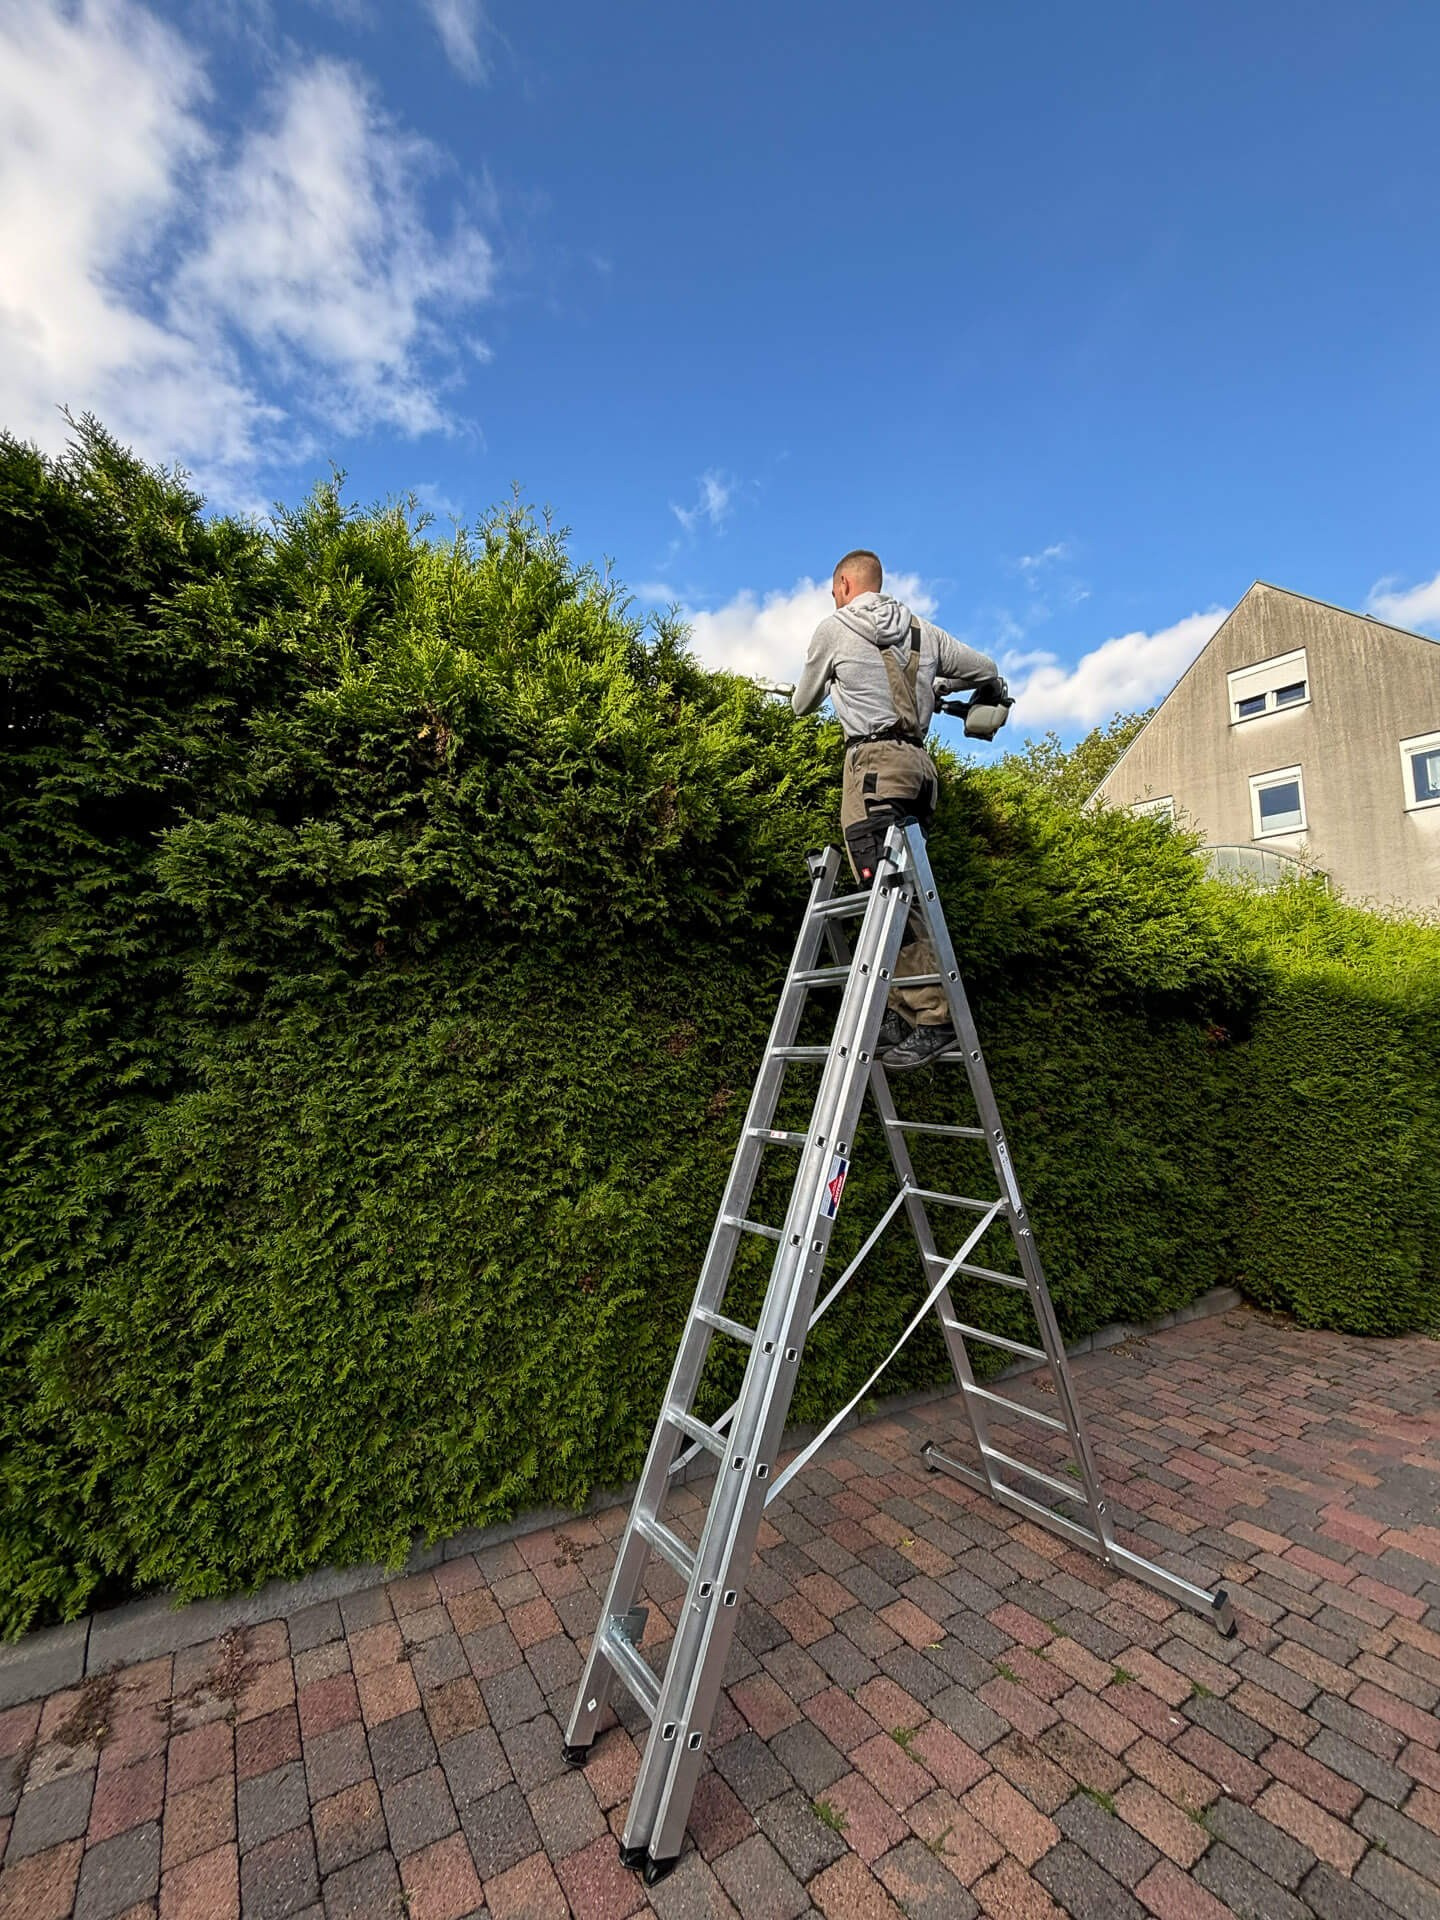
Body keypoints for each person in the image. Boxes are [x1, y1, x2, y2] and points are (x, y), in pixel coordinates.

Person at [791, 548, 1001, 1071]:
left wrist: (835, 683)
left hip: (873, 770)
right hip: (919, 771)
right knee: (895, 895)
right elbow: (987, 669)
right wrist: (941, 686)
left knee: (889, 897)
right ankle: (894, 1010)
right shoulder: (923, 633)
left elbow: (802, 703)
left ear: (843, 583)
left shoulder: (834, 628)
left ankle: (932, 1017)